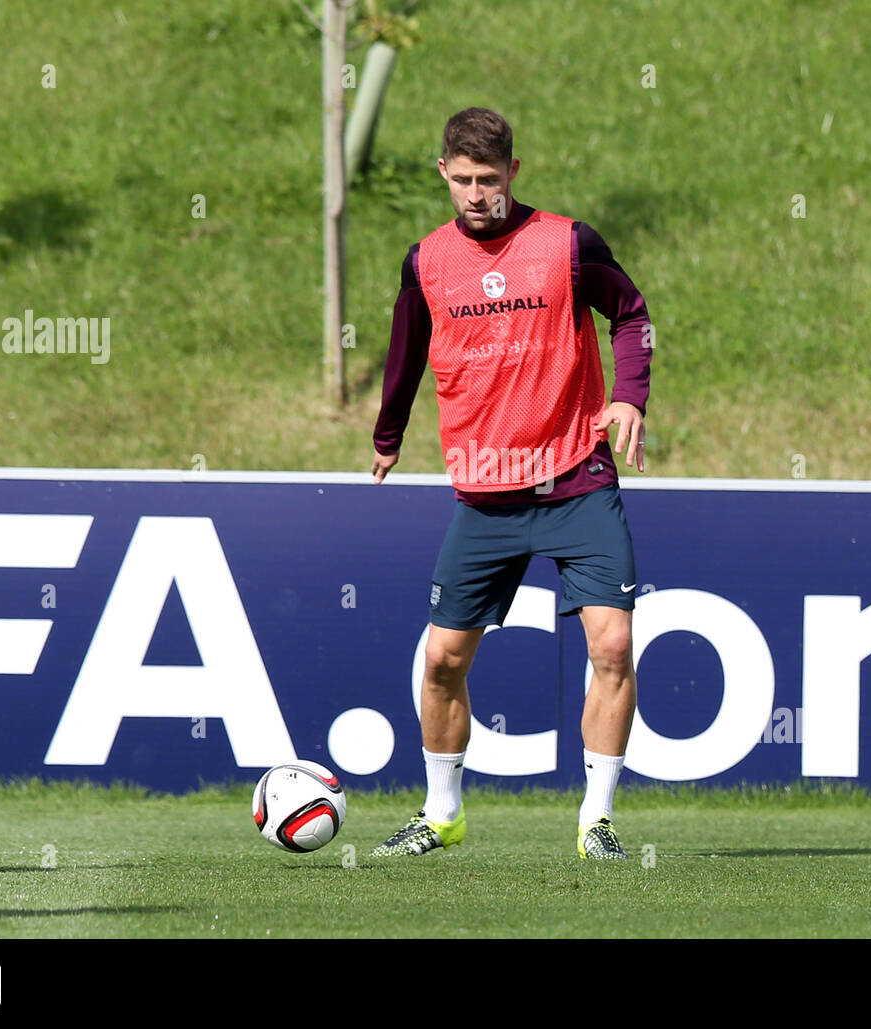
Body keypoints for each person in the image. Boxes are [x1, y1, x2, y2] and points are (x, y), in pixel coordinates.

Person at [368, 107, 653, 859]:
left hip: (578, 477)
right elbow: (406, 350)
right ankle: (442, 812)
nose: (474, 194)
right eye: (460, 179)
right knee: (441, 659)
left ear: (513, 174)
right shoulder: (425, 259)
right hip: (486, 491)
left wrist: (629, 394)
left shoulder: (566, 243)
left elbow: (630, 312)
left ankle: (597, 821)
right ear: (442, 173)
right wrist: (388, 434)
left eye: (488, 180)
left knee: (614, 645)